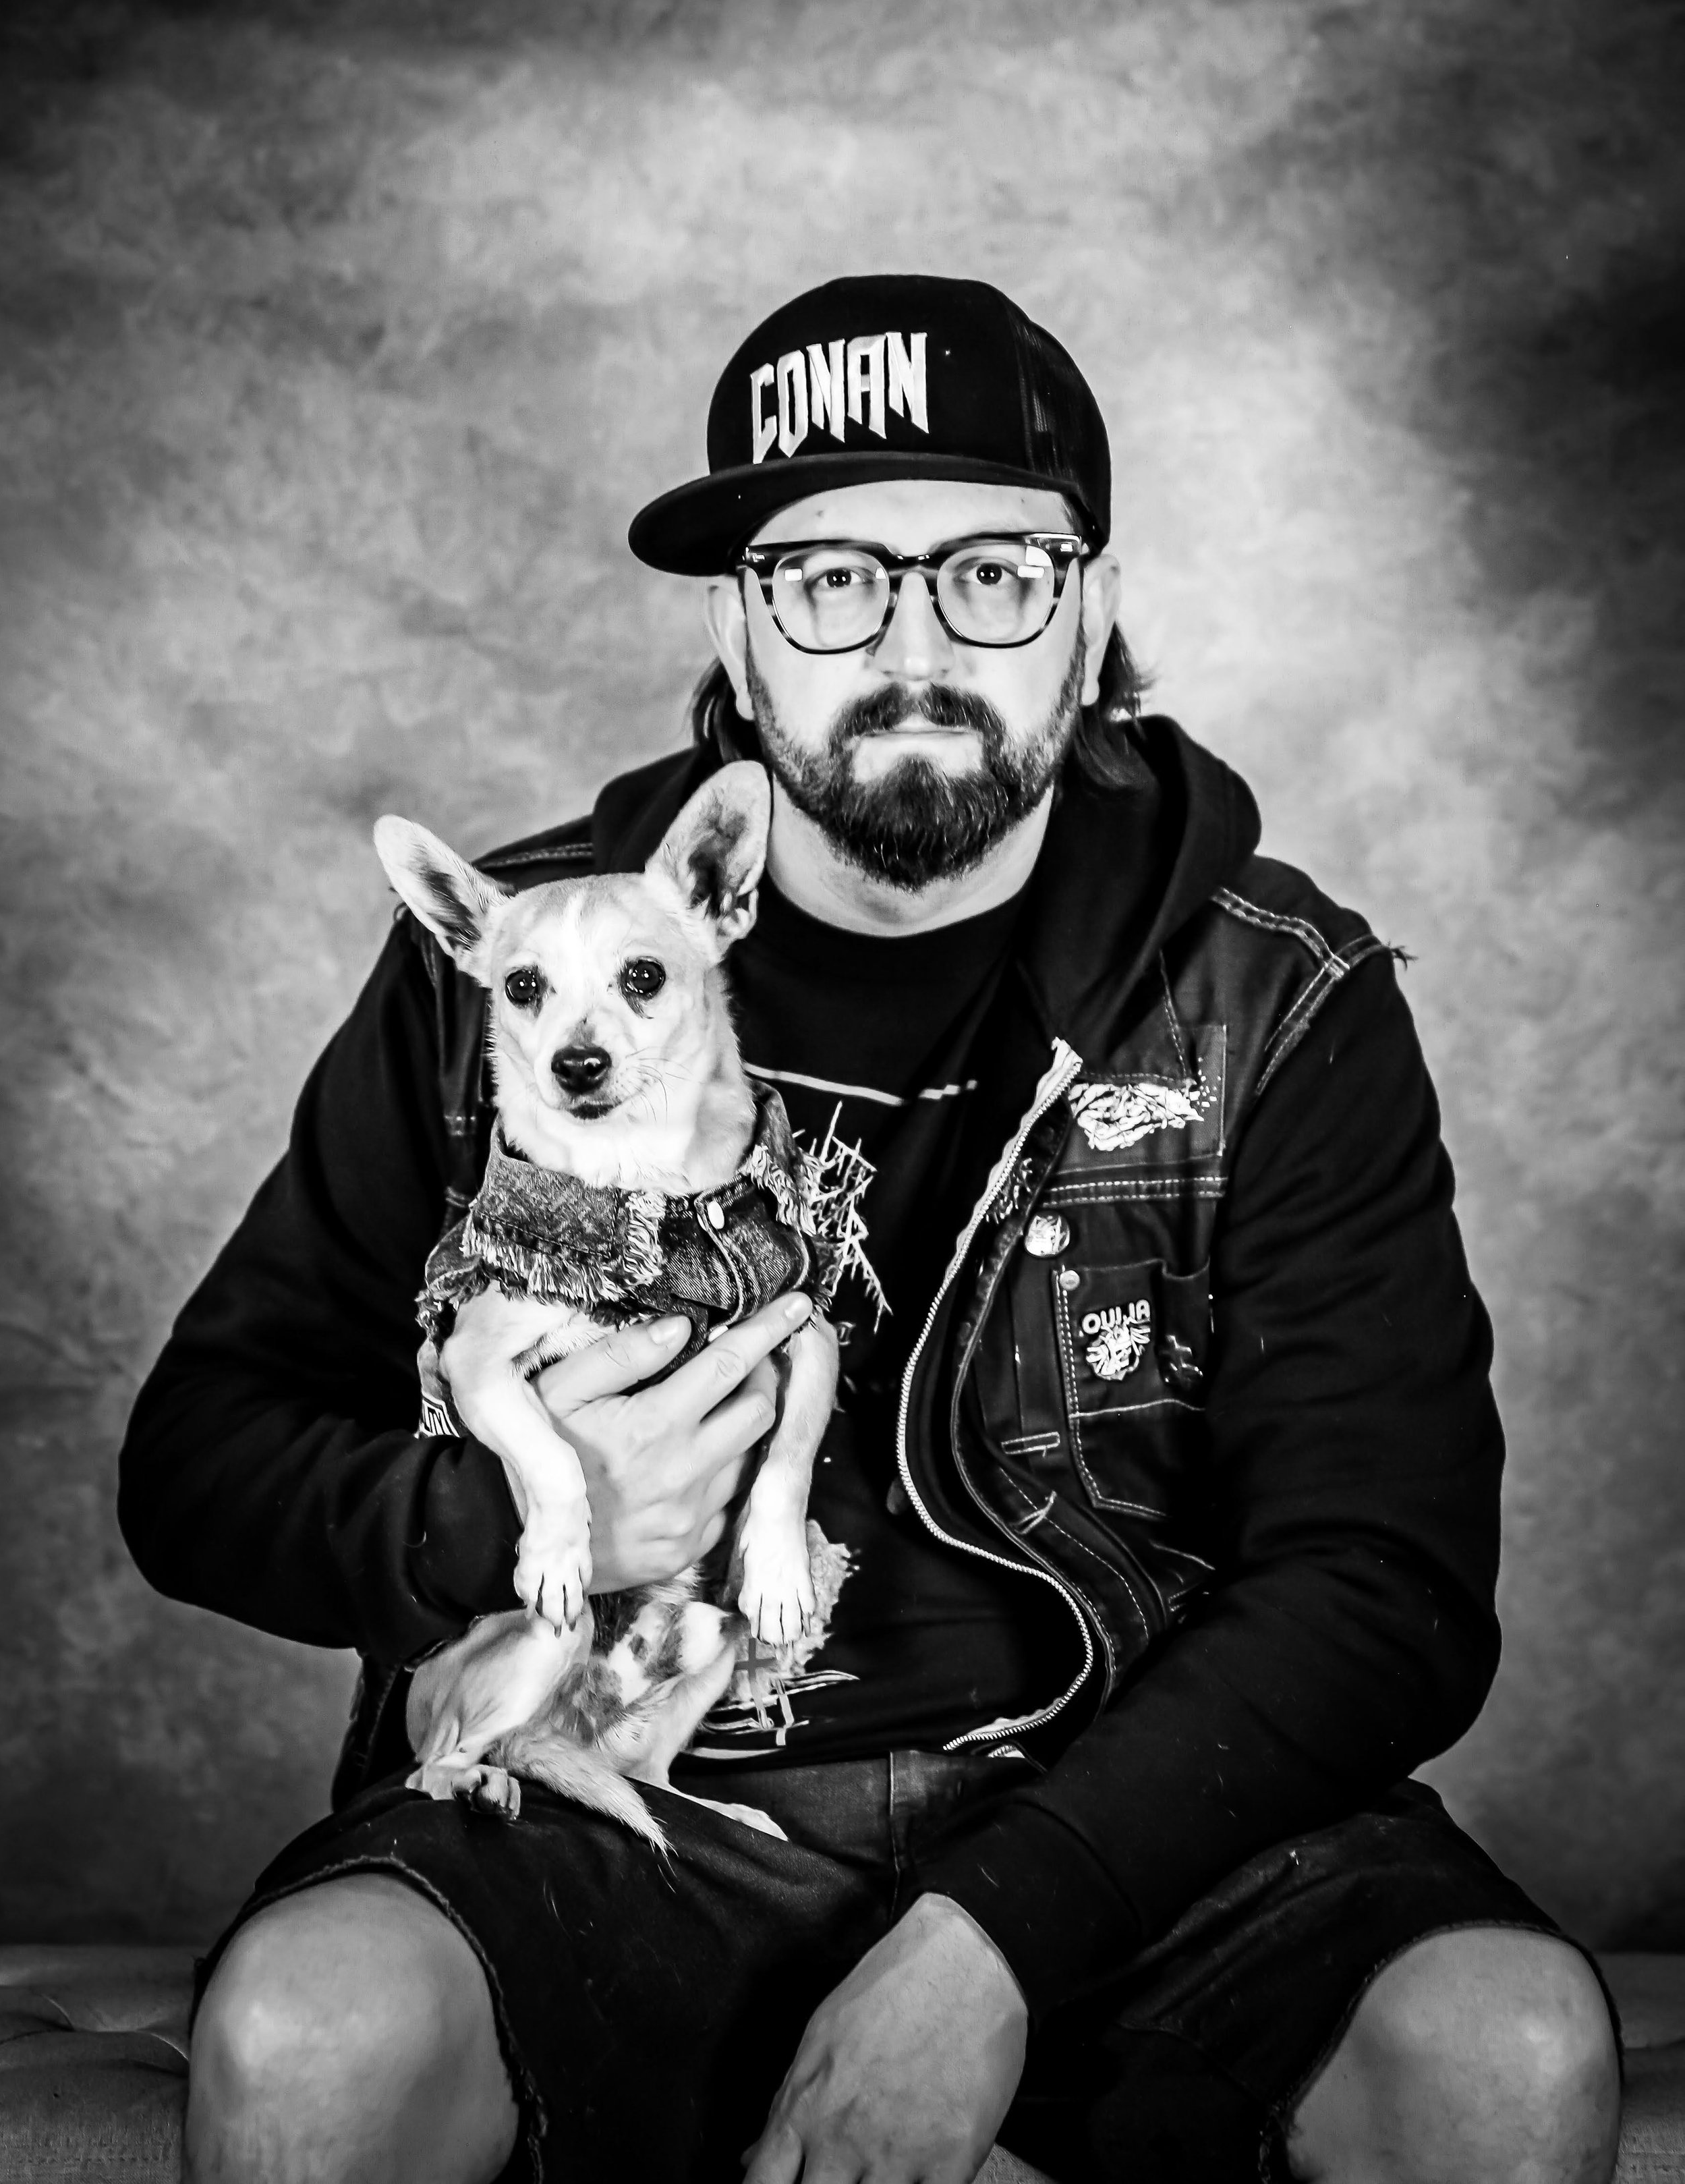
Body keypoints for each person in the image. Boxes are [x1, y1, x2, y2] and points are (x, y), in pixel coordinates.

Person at [120, 274, 1622, 2184]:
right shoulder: (509, 971)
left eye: (991, 571)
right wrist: (510, 1518)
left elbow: (1386, 1581)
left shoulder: (1279, 1000)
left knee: (1498, 2051)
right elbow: (197, 1463)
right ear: (743, 639)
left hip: (1134, 1815)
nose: (911, 642)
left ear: (1085, 615)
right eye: (828, 578)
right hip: (631, 1792)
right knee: (310, 2032)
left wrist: (990, 1937)